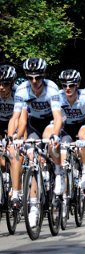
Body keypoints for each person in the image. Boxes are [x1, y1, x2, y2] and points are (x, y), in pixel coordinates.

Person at [9, 58, 63, 227]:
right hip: (34, 122)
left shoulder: (52, 88)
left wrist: (54, 136)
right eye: (30, 77)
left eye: (38, 77)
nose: (34, 81)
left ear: (43, 76)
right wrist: (12, 138)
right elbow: (16, 118)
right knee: (31, 157)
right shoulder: (22, 90)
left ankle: (58, 170)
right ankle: (33, 207)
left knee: (50, 141)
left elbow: (58, 117)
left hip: (51, 121)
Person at [58, 69, 85, 189]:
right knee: (62, 146)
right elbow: (58, 120)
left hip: (82, 125)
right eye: (64, 85)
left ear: (77, 85)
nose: (67, 88)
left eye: (71, 85)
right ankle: (62, 175)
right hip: (67, 126)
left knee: (82, 138)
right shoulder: (59, 96)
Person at [0, 64, 23, 210]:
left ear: (12, 83)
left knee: (13, 151)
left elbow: (19, 118)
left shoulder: (18, 94)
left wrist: (12, 138)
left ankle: (16, 190)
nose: (1, 87)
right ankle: (6, 173)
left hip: (14, 122)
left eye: (5, 84)